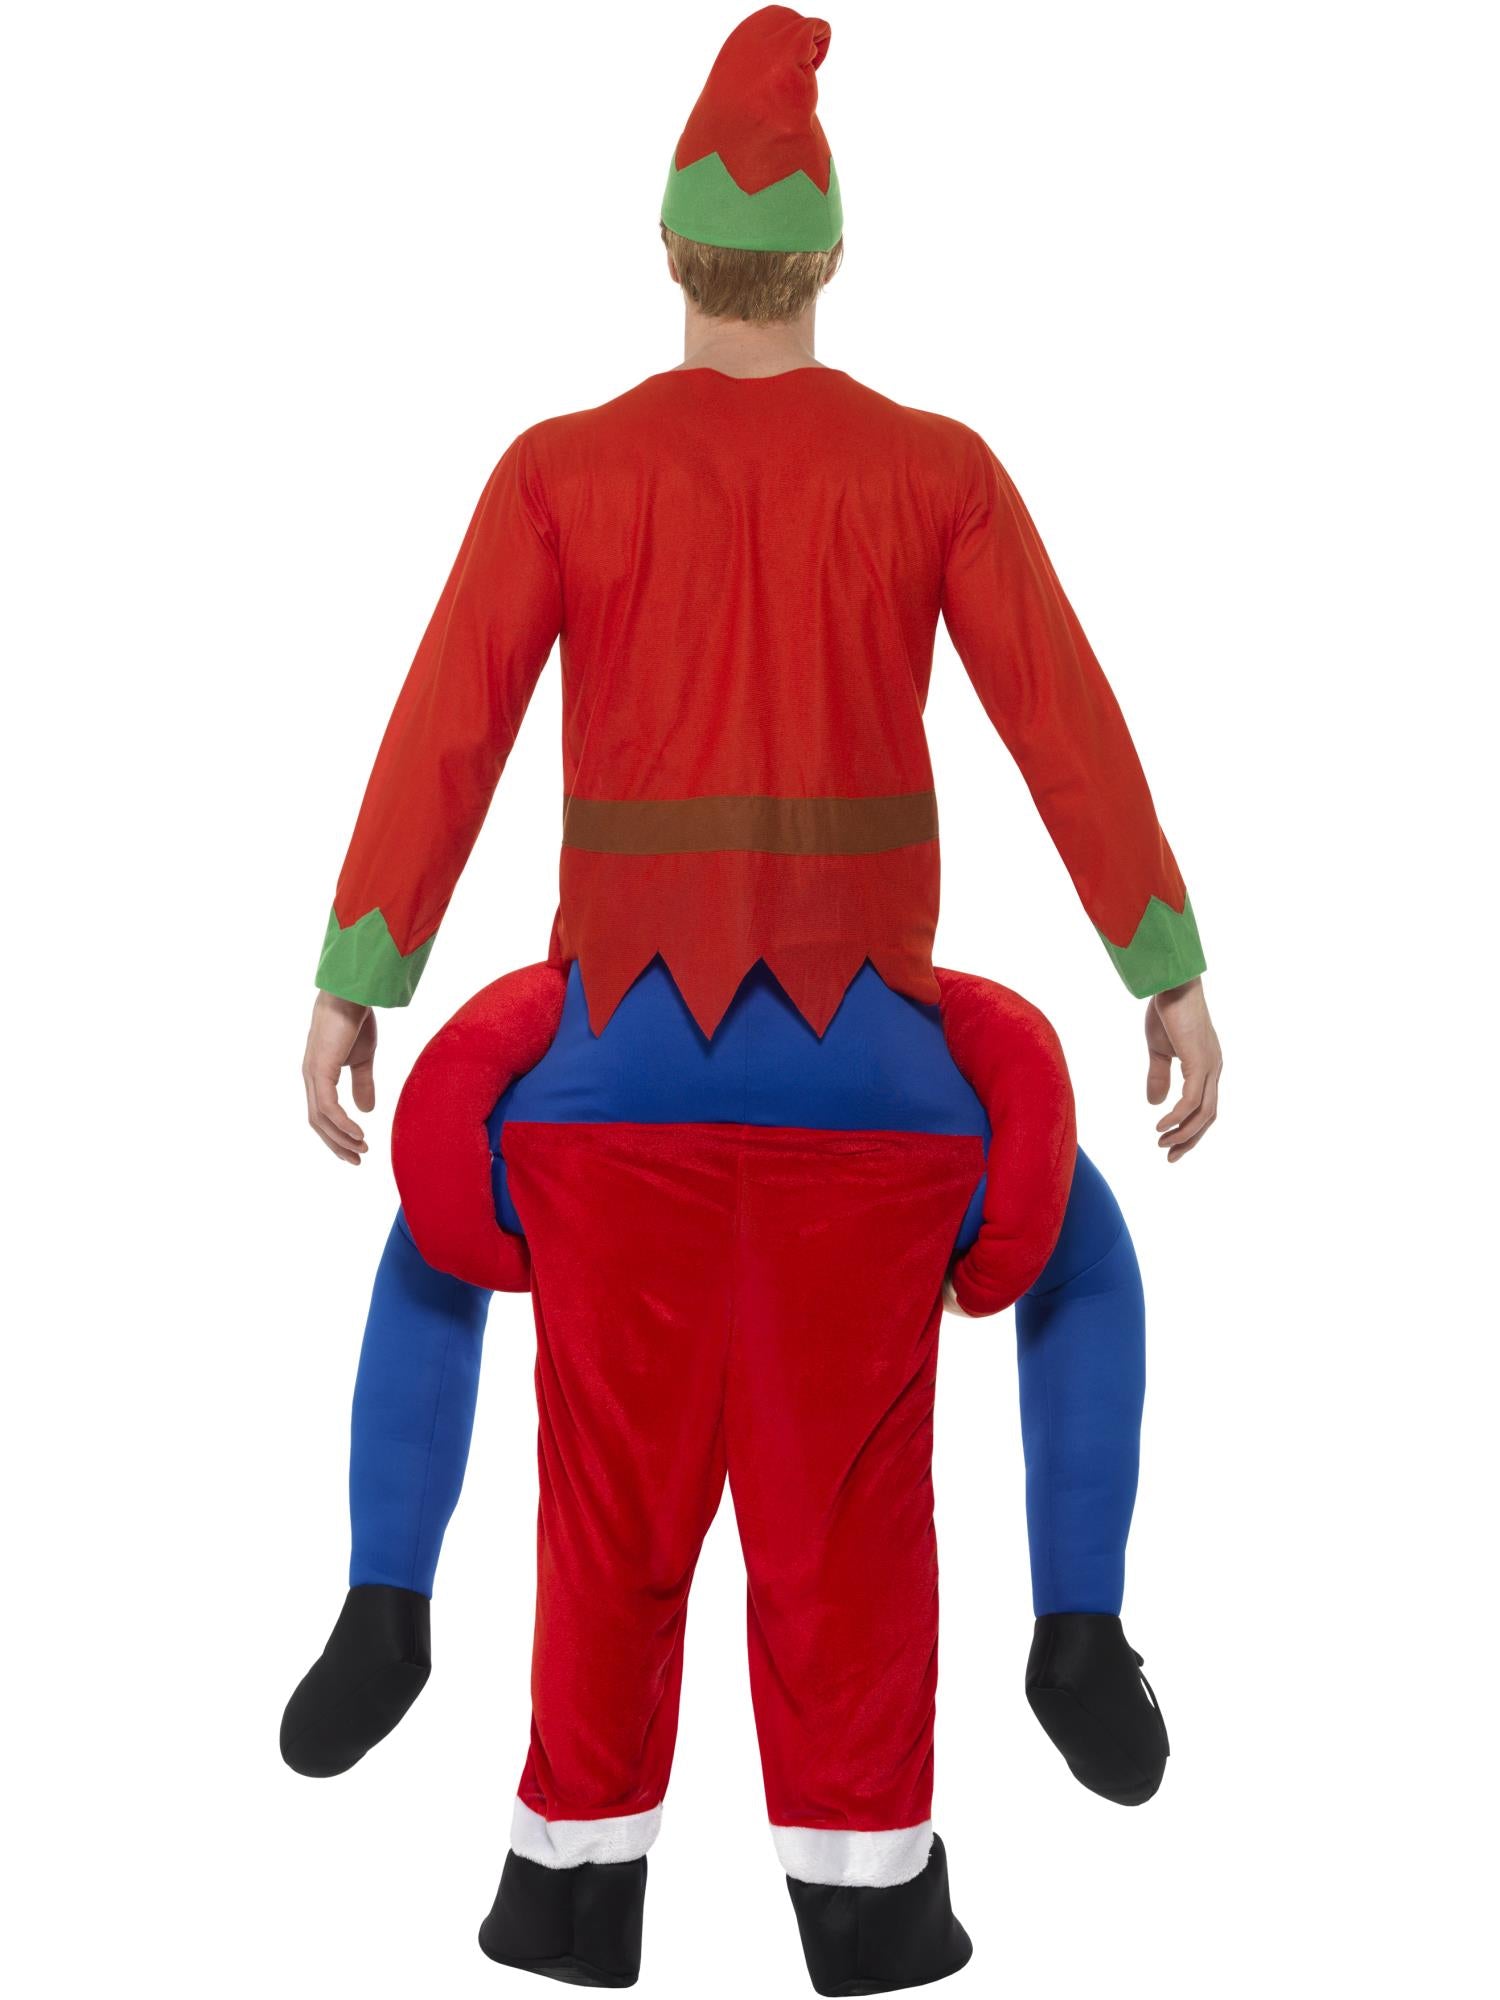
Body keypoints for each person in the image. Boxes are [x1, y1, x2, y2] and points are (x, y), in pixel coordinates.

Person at [284, 10, 1223, 1991]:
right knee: (1012, 1330)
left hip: (603, 1091)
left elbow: (448, 728)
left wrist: (361, 976)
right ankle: (1056, 1658)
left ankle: (423, 1663)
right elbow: (1063, 725)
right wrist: (1166, 966)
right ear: (830, 255)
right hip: (880, 1098)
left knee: (481, 1305)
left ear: (670, 248)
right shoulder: (939, 473)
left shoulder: (558, 472)